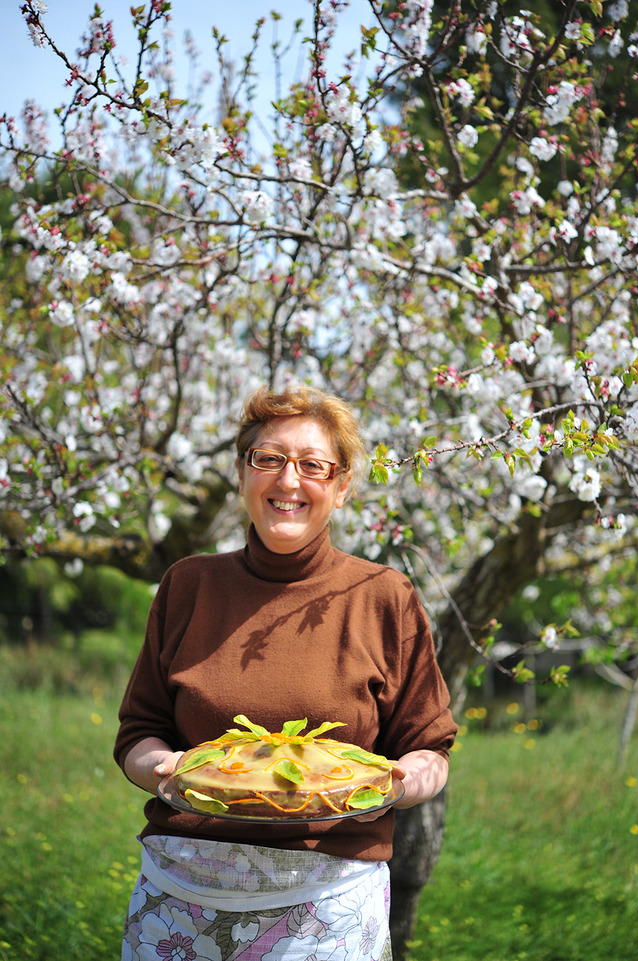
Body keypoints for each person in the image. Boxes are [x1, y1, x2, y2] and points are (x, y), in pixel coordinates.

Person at [114, 384, 457, 961]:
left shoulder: (384, 596)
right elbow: (137, 732)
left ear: (343, 486)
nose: (289, 481)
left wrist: (401, 781)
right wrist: (164, 769)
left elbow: (430, 748)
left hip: (329, 906)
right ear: (242, 473)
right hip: (180, 896)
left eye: (313, 466)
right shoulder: (187, 585)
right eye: (268, 459)